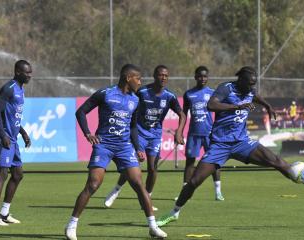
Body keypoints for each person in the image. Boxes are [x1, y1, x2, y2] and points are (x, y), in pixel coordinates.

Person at [156, 66, 304, 227]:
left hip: (242, 142)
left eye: (253, 84)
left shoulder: (250, 91)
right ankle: (174, 213)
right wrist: (237, 107)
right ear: (240, 80)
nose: (251, 87)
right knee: (194, 181)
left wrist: (267, 106)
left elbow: (256, 96)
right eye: (249, 83)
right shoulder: (226, 89)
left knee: (275, 160)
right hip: (220, 145)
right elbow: (211, 105)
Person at [64, 64, 167, 240]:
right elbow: (81, 111)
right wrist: (88, 133)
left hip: (124, 146)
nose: (140, 82)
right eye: (138, 78)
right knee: (93, 184)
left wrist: (138, 147)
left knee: (138, 184)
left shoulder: (135, 100)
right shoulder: (105, 94)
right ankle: (71, 224)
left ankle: (152, 226)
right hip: (104, 145)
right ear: (128, 78)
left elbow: (133, 126)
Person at [103, 65, 186, 210]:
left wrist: (179, 132)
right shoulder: (143, 92)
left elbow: (182, 115)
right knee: (131, 165)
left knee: (153, 169)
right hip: (139, 133)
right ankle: (116, 189)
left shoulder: (169, 96)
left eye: (166, 75)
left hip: (154, 136)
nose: (163, 78)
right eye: (160, 75)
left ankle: (147, 199)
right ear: (154, 76)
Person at [0, 60, 32, 226]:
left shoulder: (21, 90)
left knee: (18, 174)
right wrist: (3, 134)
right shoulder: (9, 88)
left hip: (13, 138)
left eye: (30, 72)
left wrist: (24, 133)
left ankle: (4, 213)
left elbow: (13, 117)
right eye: (27, 73)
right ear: (18, 71)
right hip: (3, 137)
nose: (29, 76)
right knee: (2, 174)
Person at [182, 66, 224, 201]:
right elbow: (183, 114)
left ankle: (218, 192)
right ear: (195, 77)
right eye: (200, 76)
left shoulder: (212, 93)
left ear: (208, 77)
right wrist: (179, 132)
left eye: (205, 76)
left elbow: (219, 112)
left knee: (214, 162)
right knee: (190, 162)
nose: (202, 79)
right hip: (194, 134)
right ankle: (185, 191)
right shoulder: (189, 94)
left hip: (209, 134)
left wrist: (218, 130)